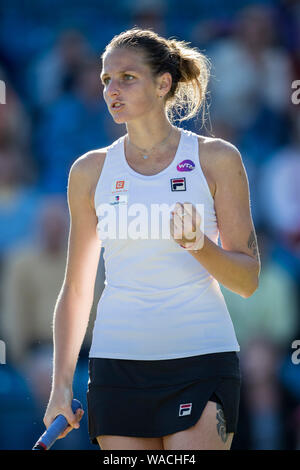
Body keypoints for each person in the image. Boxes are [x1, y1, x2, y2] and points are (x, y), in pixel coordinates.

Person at [43, 28, 260, 451]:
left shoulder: (217, 158)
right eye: (106, 79)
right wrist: (59, 387)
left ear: (163, 84)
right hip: (117, 367)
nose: (111, 89)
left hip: (201, 360)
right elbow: (75, 290)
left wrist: (200, 245)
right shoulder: (88, 171)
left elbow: (248, 281)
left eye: (127, 77)